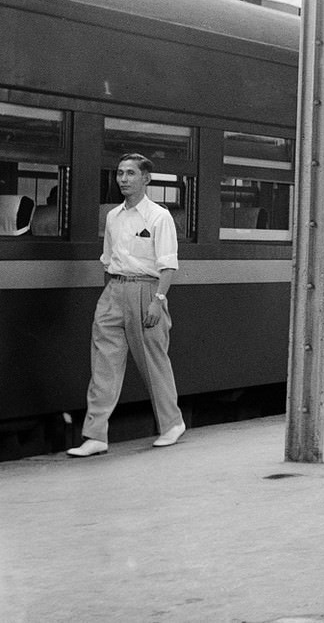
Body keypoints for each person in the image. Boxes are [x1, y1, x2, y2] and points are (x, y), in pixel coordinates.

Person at [67, 154, 184, 457]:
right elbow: (107, 259)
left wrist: (158, 301)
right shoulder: (112, 217)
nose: (123, 179)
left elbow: (169, 265)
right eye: (120, 173)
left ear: (146, 179)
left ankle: (172, 424)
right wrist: (110, 293)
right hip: (114, 289)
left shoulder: (159, 217)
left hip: (148, 290)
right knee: (103, 364)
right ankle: (95, 435)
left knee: (153, 362)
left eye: (130, 174)